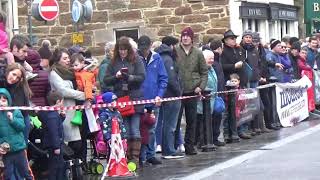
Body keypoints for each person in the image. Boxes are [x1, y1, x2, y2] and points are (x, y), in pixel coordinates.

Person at [104, 36, 145, 167]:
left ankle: (135, 159)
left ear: (128, 49)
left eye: (125, 49)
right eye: (120, 49)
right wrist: (116, 77)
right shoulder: (113, 62)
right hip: (121, 98)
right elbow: (106, 80)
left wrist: (130, 77)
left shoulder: (136, 60)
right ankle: (126, 157)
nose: (122, 52)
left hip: (135, 98)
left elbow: (142, 77)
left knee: (135, 129)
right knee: (125, 130)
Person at [175, 27, 208, 155]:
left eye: (188, 35)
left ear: (192, 38)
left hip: (193, 91)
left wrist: (201, 86)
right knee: (176, 121)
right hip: (178, 91)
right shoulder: (176, 51)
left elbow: (204, 72)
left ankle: (190, 145)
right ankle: (175, 146)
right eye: (183, 35)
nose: (185, 37)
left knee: (191, 121)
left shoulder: (198, 53)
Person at [48, 48, 85, 157]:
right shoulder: (54, 73)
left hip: (74, 109)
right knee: (69, 142)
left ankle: (76, 165)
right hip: (64, 110)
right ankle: (69, 167)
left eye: (68, 57)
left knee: (77, 141)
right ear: (58, 60)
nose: (68, 60)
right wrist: (83, 95)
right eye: (65, 58)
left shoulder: (70, 72)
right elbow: (63, 91)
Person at [137, 35, 168, 165]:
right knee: (139, 129)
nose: (144, 51)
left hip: (154, 100)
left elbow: (163, 78)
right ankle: (140, 155)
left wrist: (159, 95)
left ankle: (150, 154)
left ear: (150, 46)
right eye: (142, 48)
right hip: (139, 101)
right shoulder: (135, 59)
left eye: (146, 48)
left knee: (151, 129)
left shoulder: (157, 58)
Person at [155, 36, 184, 159]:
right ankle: (169, 150)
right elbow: (171, 78)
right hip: (171, 95)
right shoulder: (168, 59)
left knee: (165, 123)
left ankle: (168, 148)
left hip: (164, 95)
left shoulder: (159, 57)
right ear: (171, 46)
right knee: (170, 124)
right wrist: (179, 92)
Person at [0, 88, 33, 180]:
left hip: (19, 150)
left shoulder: (15, 111)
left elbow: (22, 127)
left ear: (9, 101)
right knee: (7, 174)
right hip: (6, 152)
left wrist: (12, 120)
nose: (1, 103)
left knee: (26, 172)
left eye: (4, 100)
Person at [221, 30, 245, 142]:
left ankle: (238, 131)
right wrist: (234, 66)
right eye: (231, 38)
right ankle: (227, 133)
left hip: (238, 81)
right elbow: (222, 66)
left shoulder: (238, 49)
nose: (234, 40)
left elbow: (244, 61)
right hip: (228, 83)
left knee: (238, 109)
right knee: (228, 110)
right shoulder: (224, 51)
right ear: (226, 40)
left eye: (234, 38)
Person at [38, 90, 65, 180]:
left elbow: (56, 126)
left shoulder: (52, 115)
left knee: (58, 167)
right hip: (54, 147)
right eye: (62, 101)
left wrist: (62, 117)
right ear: (58, 102)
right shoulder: (52, 116)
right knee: (56, 168)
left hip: (54, 146)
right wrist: (56, 146)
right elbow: (54, 132)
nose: (63, 103)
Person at [195, 50, 218, 148]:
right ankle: (202, 142)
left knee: (209, 122)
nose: (212, 60)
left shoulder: (211, 68)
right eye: (210, 58)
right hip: (201, 101)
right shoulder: (199, 69)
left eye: (213, 58)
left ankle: (210, 140)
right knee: (200, 123)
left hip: (211, 100)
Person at [209, 39, 226, 146]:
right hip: (216, 93)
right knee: (215, 117)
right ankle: (213, 138)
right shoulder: (215, 62)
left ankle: (214, 138)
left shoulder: (217, 61)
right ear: (219, 48)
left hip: (217, 92)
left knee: (216, 116)